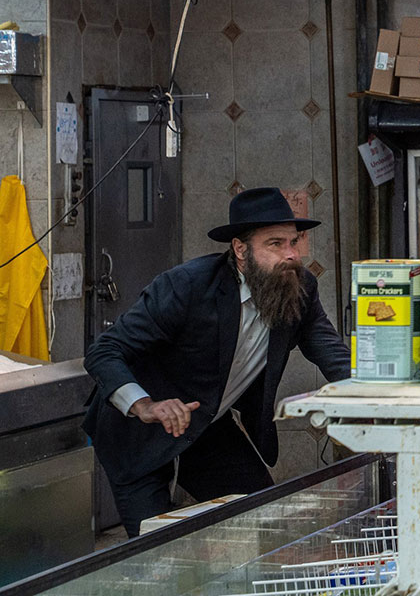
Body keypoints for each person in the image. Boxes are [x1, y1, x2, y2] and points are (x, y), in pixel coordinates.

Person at [82, 187, 350, 537]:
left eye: (294, 242)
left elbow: (333, 354)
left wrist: (382, 396)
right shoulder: (188, 285)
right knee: (157, 546)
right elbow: (104, 350)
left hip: (206, 423)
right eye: (275, 244)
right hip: (138, 430)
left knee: (263, 522)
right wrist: (145, 405)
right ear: (240, 249)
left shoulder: (299, 288)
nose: (290, 255)